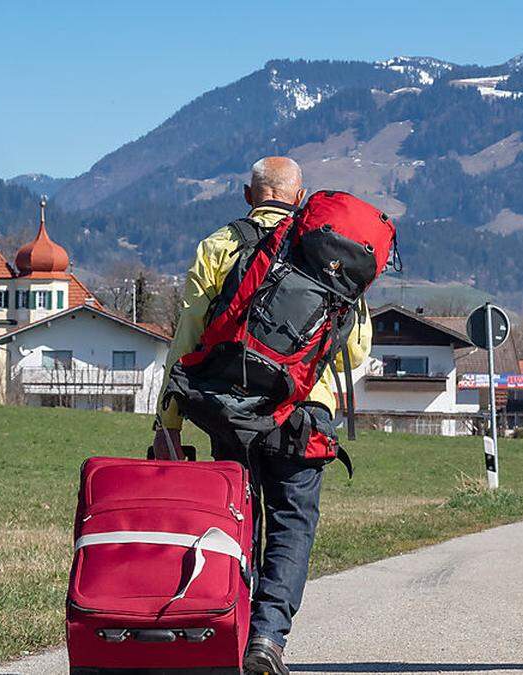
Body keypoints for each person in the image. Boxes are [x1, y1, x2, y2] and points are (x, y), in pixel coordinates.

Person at [153, 157, 371, 674]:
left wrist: (169, 421)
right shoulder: (329, 252)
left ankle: (232, 629)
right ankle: (269, 638)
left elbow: (188, 338)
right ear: (300, 198)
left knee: (236, 522)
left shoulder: (217, 246)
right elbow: (356, 350)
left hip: (233, 413)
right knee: (293, 526)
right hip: (305, 416)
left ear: (247, 196)